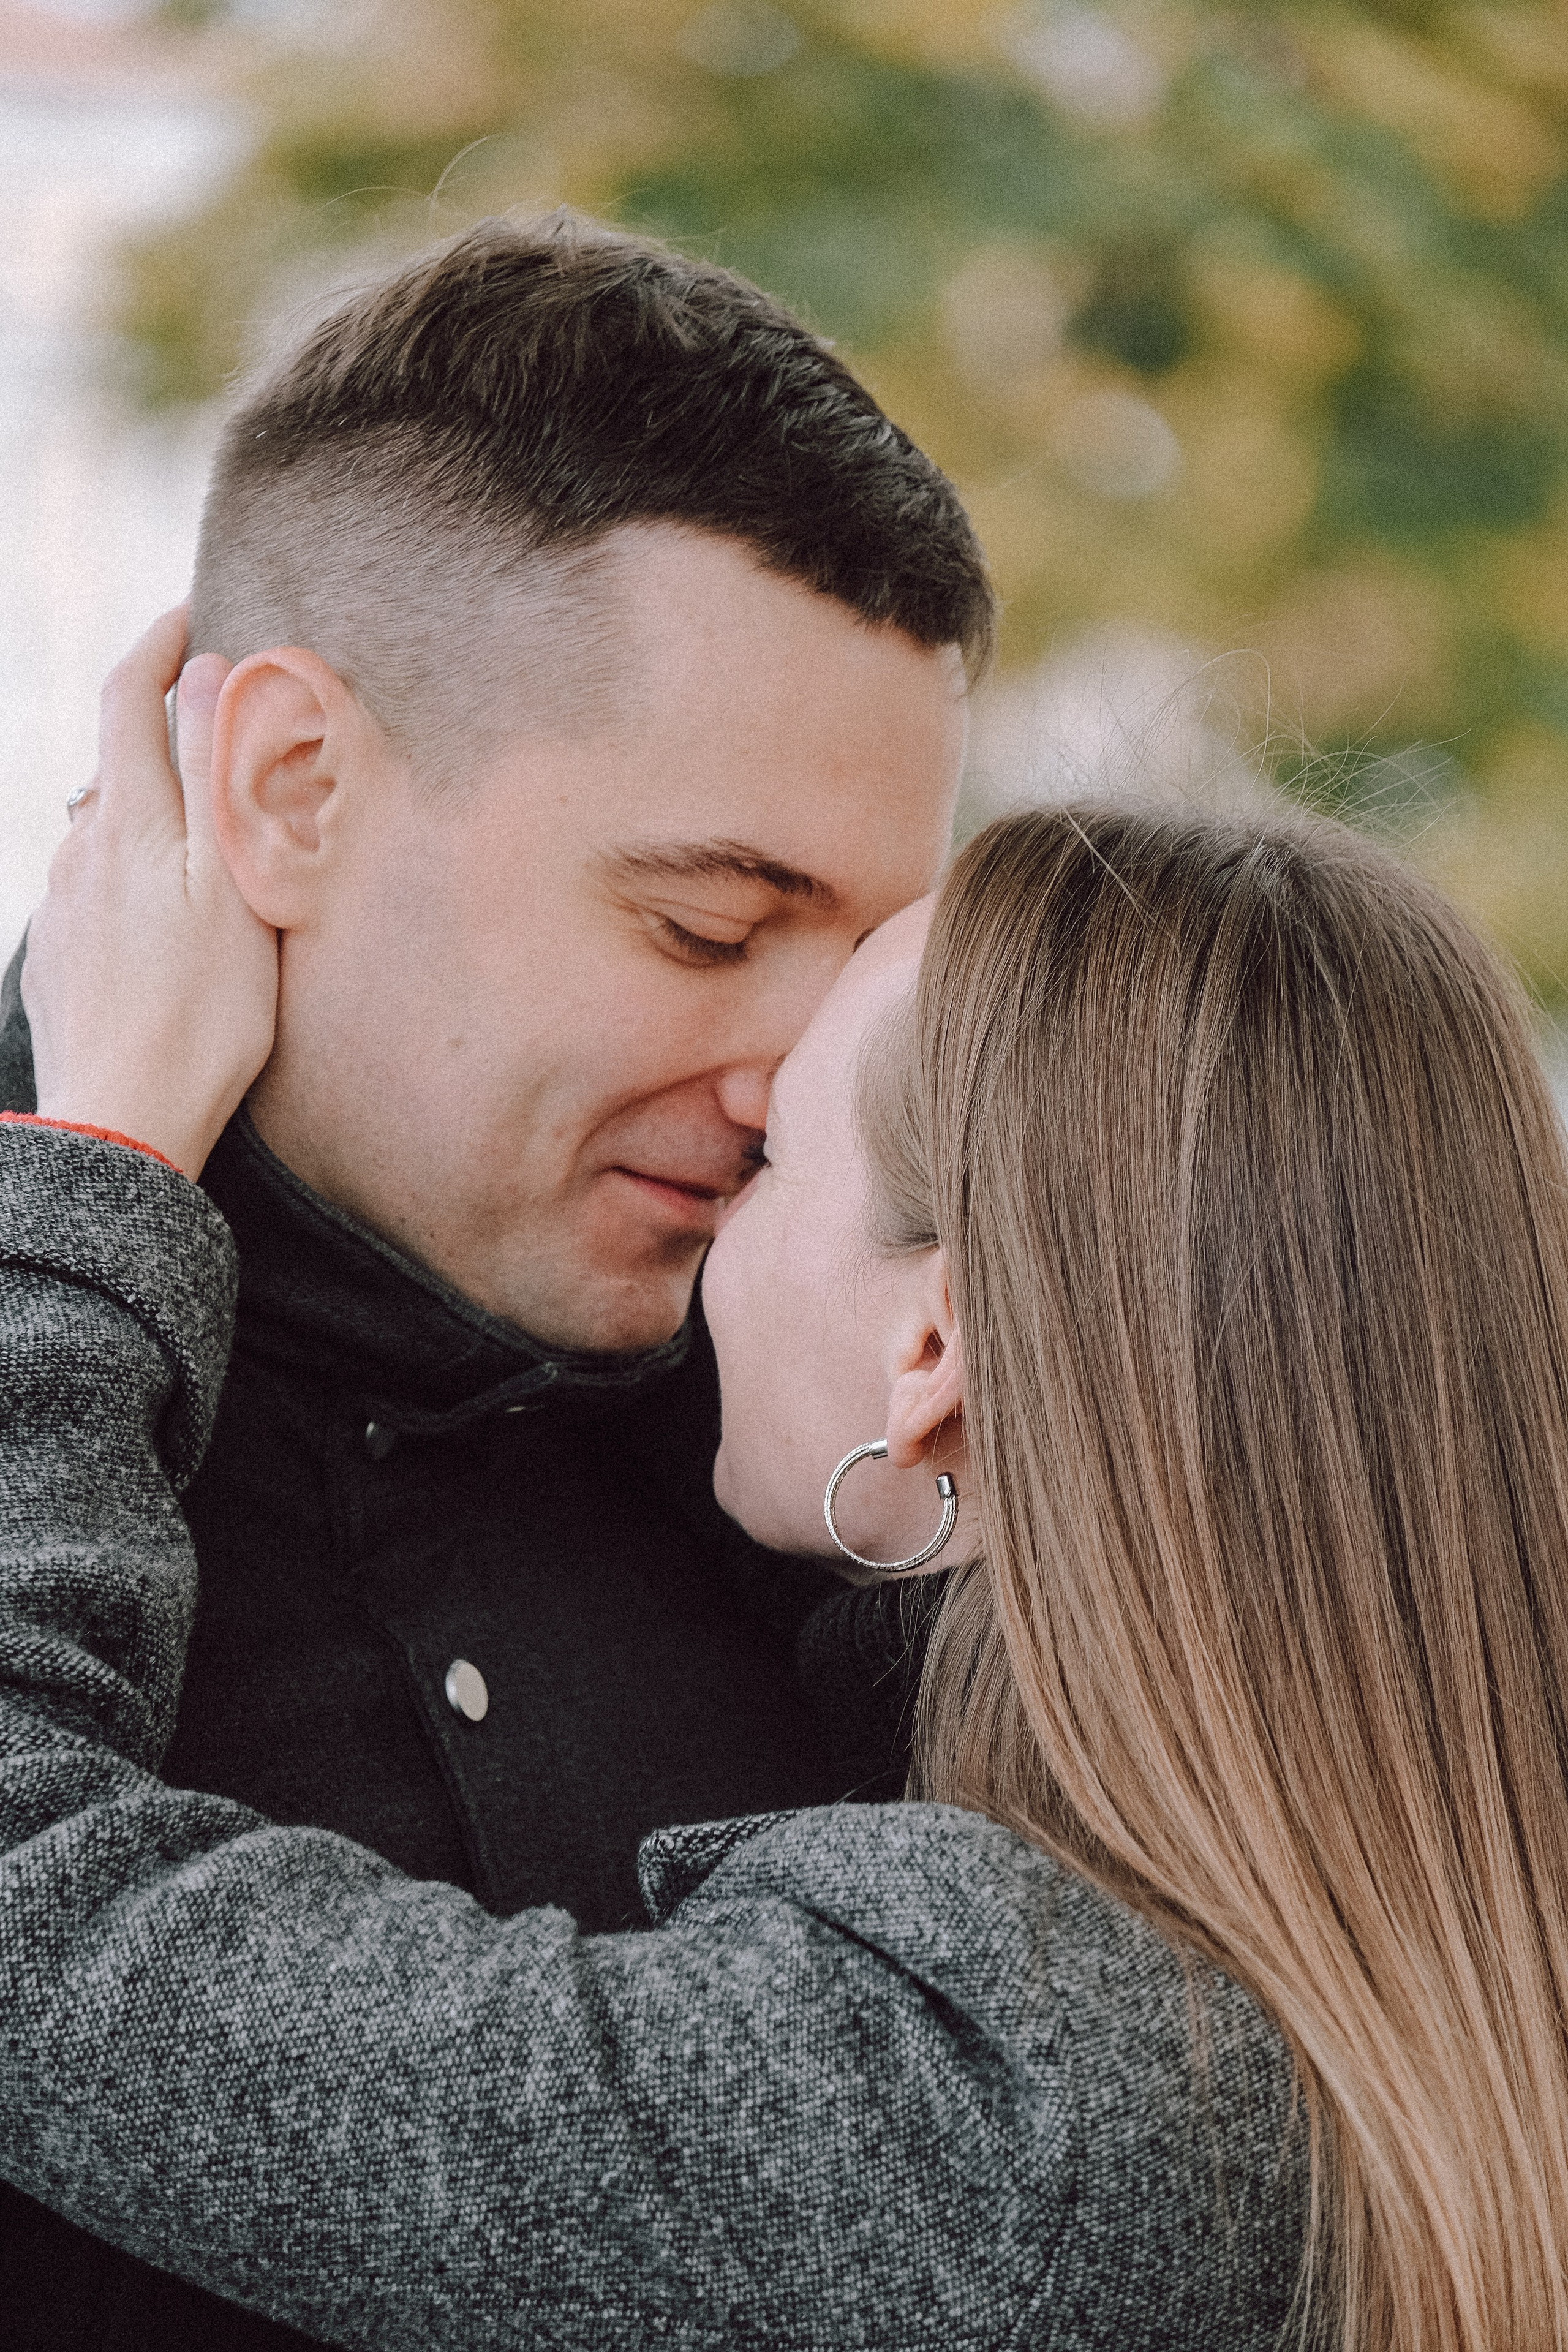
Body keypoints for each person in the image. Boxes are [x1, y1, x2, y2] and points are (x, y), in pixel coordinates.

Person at [7, 750, 1568, 2351]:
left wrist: (107, 1146)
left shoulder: (1007, 2107)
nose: (701, 1207)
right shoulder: (1415, 1981)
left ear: (934, 1350)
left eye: (764, 1168)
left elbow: (33, 1910)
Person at [0, 213, 992, 2344]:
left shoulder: (885, 1436)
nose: (791, 1082)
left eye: (870, 978)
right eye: (712, 928)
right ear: (289, 788)